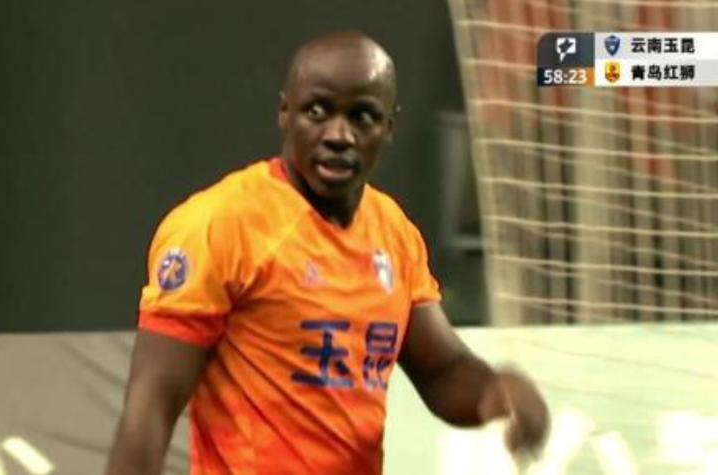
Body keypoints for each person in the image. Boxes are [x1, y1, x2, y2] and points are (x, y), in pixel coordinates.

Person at [106, 31, 549, 475]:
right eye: (317, 112)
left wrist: (494, 392)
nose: (339, 135)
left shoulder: (394, 232)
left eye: (362, 116)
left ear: (389, 126)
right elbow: (150, 407)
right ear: (285, 113)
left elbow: (443, 372)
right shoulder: (220, 224)